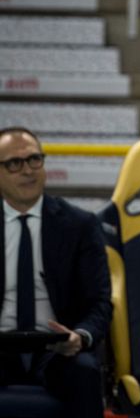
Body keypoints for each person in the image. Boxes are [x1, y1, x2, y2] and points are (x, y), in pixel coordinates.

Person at [0, 127, 112, 417]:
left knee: (85, 371)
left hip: (57, 351)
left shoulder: (80, 225)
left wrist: (80, 336)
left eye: (34, 159)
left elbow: (99, 302)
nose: (28, 170)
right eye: (14, 163)